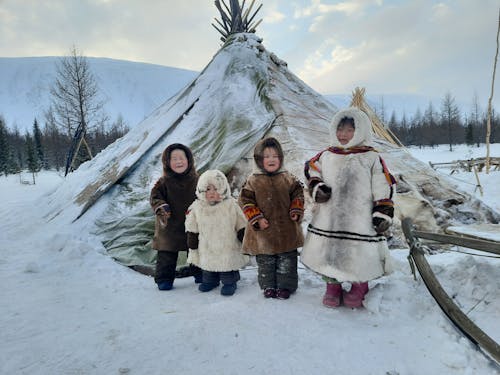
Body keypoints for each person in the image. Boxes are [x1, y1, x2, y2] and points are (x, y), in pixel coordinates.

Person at [301, 107, 396, 308]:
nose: (343, 135)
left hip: (359, 219)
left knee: (359, 252)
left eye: (349, 130)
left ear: (360, 131)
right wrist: (317, 186)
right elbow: (311, 169)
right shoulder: (327, 155)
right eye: (340, 129)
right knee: (329, 253)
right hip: (330, 218)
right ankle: (332, 287)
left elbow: (382, 184)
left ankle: (359, 286)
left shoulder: (371, 158)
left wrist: (382, 210)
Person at [238, 137, 305, 300]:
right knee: (265, 261)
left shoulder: (288, 177)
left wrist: (296, 208)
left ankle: (285, 286)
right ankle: (268, 286)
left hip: (286, 229)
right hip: (263, 232)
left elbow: (298, 193)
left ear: (280, 158)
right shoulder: (253, 180)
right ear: (259, 159)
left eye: (275, 156)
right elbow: (245, 200)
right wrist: (256, 218)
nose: (271, 159)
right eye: (266, 156)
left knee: (287, 260)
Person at [185, 169, 249, 296]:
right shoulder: (197, 207)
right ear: (201, 190)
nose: (212, 193)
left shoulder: (231, 205)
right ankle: (211, 281)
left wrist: (245, 240)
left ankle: (230, 282)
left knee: (227, 267)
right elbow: (192, 227)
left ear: (223, 189)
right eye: (208, 189)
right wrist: (192, 243)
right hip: (207, 246)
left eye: (216, 189)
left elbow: (241, 223)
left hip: (227, 246)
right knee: (207, 268)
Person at [150, 143, 202, 290]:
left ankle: (201, 273)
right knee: (167, 253)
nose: (178, 162)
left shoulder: (197, 180)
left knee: (195, 250)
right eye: (174, 159)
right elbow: (155, 197)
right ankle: (164, 279)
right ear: (167, 162)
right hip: (169, 223)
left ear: (189, 160)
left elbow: (204, 195)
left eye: (181, 158)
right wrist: (161, 206)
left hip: (192, 222)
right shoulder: (163, 182)